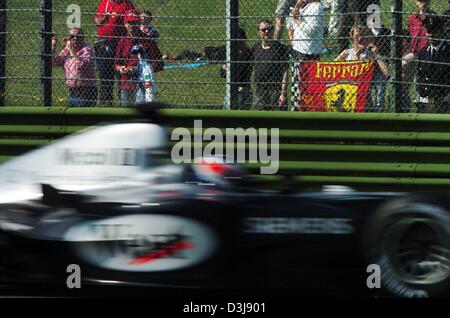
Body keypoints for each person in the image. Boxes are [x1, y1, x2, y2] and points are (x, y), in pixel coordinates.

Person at [335, 25, 390, 112]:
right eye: (357, 36)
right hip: (352, 84)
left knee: (380, 79)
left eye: (363, 35)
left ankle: (378, 110)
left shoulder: (371, 52)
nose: (360, 39)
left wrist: (377, 54)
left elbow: (387, 73)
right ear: (353, 38)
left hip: (368, 82)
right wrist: (356, 57)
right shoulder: (346, 53)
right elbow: (331, 66)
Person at [115, 10, 164, 107]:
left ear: (139, 23)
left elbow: (159, 63)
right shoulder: (122, 41)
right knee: (126, 114)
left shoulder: (147, 41)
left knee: (143, 115)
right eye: (129, 23)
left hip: (144, 84)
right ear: (125, 24)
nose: (132, 26)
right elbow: (116, 63)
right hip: (126, 84)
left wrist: (139, 69)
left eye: (134, 23)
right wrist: (121, 68)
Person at [94, 0, 135, 106]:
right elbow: (97, 17)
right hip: (103, 43)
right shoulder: (104, 2)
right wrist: (98, 20)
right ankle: (106, 102)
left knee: (121, 73)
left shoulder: (126, 3)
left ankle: (124, 100)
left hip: (118, 42)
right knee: (104, 73)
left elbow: (130, 21)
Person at [287, 0, 325, 110]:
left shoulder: (316, 7)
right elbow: (291, 26)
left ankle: (308, 110)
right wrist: (297, 9)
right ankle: (296, 110)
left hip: (308, 53)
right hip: (298, 50)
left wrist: (296, 18)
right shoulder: (305, 6)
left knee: (308, 87)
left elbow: (310, 31)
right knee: (296, 85)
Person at [401, 0, 436, 111]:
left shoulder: (433, 17)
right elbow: (410, 35)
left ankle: (423, 102)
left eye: (425, 1)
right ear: (416, 3)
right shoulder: (412, 17)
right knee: (403, 74)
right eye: (420, 1)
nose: (423, 3)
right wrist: (407, 52)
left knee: (423, 79)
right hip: (414, 52)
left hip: (427, 52)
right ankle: (403, 103)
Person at [51, 28, 97, 107]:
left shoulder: (87, 50)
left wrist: (71, 50)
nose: (75, 38)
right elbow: (54, 62)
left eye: (78, 36)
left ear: (83, 38)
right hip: (72, 91)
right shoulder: (67, 51)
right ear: (69, 38)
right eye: (72, 36)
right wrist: (53, 46)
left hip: (86, 91)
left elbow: (79, 66)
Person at [251, 19, 290, 110]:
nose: (267, 32)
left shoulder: (281, 49)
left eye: (270, 29)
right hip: (260, 90)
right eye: (263, 30)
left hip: (276, 91)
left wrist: (283, 93)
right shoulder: (255, 48)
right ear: (258, 32)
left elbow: (285, 72)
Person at [416, 15, 450, 113]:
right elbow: (419, 76)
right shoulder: (423, 53)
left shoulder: (448, 51)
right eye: (428, 31)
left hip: (445, 102)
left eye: (434, 31)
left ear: (442, 32)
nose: (430, 35)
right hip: (425, 101)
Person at [220, 28, 253, 110]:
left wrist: (228, 68)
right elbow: (222, 74)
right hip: (230, 91)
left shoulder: (248, 54)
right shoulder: (231, 54)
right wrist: (229, 69)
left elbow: (241, 74)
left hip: (242, 92)